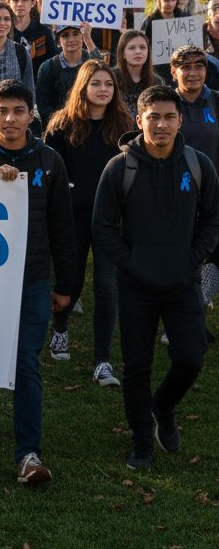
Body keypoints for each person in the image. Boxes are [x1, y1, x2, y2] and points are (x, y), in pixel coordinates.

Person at [92, 85, 219, 470]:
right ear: (139, 120)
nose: (161, 125)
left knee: (191, 357)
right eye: (153, 117)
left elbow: (212, 222)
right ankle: (142, 441)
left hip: (183, 284)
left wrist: (192, 261)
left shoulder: (199, 166)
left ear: (180, 120)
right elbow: (103, 227)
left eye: (168, 117)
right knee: (137, 367)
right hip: (136, 286)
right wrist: (130, 264)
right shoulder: (120, 167)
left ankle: (162, 406)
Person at [0, 79, 76, 485]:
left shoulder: (48, 160)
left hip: (32, 277)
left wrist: (67, 285)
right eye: (2, 111)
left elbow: (63, 225)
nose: (10, 119)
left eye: (18, 111)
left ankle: (28, 453)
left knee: (26, 360)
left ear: (31, 115)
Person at [44, 61, 133, 379]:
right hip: (72, 218)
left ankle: (102, 360)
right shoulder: (61, 124)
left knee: (107, 289)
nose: (103, 89)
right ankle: (60, 327)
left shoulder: (125, 125)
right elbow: (50, 172)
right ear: (83, 86)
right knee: (72, 282)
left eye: (109, 84)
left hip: (111, 219)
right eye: (96, 83)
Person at [35, 23, 101, 126]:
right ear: (58, 41)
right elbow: (44, 107)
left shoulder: (91, 62)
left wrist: (89, 40)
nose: (71, 39)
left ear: (82, 36)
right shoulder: (47, 68)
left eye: (76, 33)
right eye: (65, 35)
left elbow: (102, 71)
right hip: (58, 130)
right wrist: (65, 124)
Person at [7, 0, 57, 75]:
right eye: (15, 0)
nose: (20, 4)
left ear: (33, 3)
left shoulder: (44, 31)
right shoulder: (4, 31)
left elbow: (52, 63)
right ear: (8, 3)